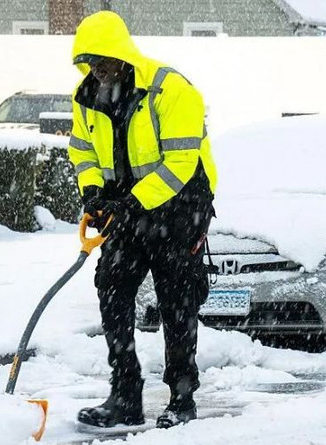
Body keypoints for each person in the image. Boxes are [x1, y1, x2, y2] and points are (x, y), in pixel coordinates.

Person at [67, 11, 217, 429]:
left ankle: (182, 396)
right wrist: (93, 192)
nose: (97, 70)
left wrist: (133, 203)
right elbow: (82, 152)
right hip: (125, 212)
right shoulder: (88, 97)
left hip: (179, 208)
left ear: (122, 54)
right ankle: (125, 395)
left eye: (103, 61)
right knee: (112, 290)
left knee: (177, 298)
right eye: (90, 63)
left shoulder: (171, 91)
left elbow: (180, 164)